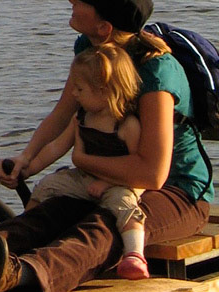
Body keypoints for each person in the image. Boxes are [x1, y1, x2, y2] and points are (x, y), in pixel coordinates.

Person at [0, 0, 213, 292]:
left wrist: (83, 160)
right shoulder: (88, 51)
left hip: (178, 192)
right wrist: (27, 159)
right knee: (52, 211)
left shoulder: (157, 71)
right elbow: (63, 114)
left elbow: (153, 173)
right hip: (106, 176)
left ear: (105, 27)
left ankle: (22, 274)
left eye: (82, 0)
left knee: (105, 224)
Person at [23, 43, 148, 279]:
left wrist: (107, 183)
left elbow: (139, 169)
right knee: (48, 185)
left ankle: (134, 254)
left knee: (126, 207)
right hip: (83, 178)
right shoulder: (82, 117)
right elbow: (56, 147)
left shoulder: (125, 124)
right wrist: (29, 168)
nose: (73, 94)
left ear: (103, 91)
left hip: (118, 183)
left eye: (80, 89)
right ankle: (28, 229)